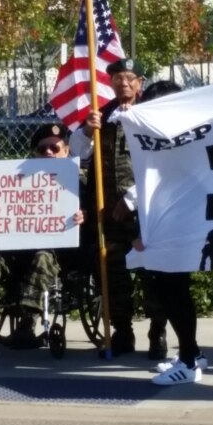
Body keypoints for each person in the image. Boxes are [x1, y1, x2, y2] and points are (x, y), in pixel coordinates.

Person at [0, 123, 84, 349]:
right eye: (42, 149)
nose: (48, 152)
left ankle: (27, 325)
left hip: (57, 256)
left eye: (54, 148)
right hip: (13, 253)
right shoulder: (15, 177)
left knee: (43, 257)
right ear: (34, 153)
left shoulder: (79, 181)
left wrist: (82, 217)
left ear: (66, 151)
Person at [69, 58, 165, 358]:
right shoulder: (104, 115)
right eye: (117, 79)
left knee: (153, 274)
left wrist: (132, 199)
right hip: (108, 213)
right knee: (112, 274)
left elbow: (161, 163)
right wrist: (86, 131)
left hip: (145, 212)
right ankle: (122, 332)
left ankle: (157, 331)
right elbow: (79, 155)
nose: (123, 83)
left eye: (129, 78)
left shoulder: (152, 114)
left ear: (140, 82)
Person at [123, 79, 208, 384]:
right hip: (167, 221)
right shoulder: (171, 134)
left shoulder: (181, 136)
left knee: (174, 291)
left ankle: (187, 362)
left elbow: (166, 180)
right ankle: (192, 353)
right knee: (170, 289)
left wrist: (134, 206)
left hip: (178, 223)